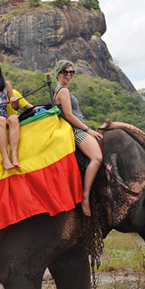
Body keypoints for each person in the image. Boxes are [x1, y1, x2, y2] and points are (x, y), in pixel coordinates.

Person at [53, 60, 103, 217]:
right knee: (97, 157)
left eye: (71, 72)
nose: (68, 75)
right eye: (65, 72)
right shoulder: (63, 91)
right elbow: (68, 115)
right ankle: (85, 197)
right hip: (76, 130)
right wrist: (87, 129)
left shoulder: (62, 90)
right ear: (58, 74)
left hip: (79, 127)